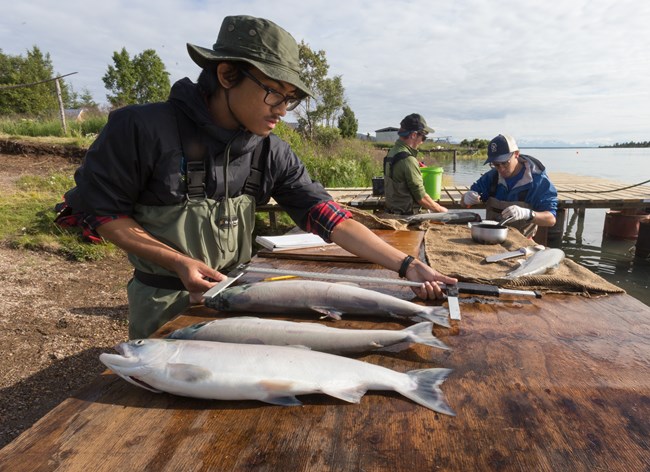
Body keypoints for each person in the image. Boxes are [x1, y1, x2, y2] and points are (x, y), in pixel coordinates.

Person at [54, 15, 457, 339]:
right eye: (274, 93)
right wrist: (177, 261)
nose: (283, 109)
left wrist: (407, 266)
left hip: (240, 296)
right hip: (164, 302)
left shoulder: (270, 149)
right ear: (227, 75)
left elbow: (328, 217)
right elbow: (102, 212)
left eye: (291, 99)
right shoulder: (140, 128)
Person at [461, 134, 558, 237]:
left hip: (522, 242)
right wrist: (467, 198)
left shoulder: (538, 181)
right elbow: (463, 203)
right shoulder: (491, 177)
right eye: (496, 164)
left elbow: (551, 219)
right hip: (491, 237)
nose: (501, 169)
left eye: (505, 163)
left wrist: (527, 214)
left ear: (516, 154)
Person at [383, 114, 448, 215]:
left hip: (392, 211)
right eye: (423, 137)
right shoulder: (408, 159)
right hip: (406, 217)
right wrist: (441, 210)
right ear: (413, 135)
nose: (422, 141)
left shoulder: (393, 152)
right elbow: (421, 197)